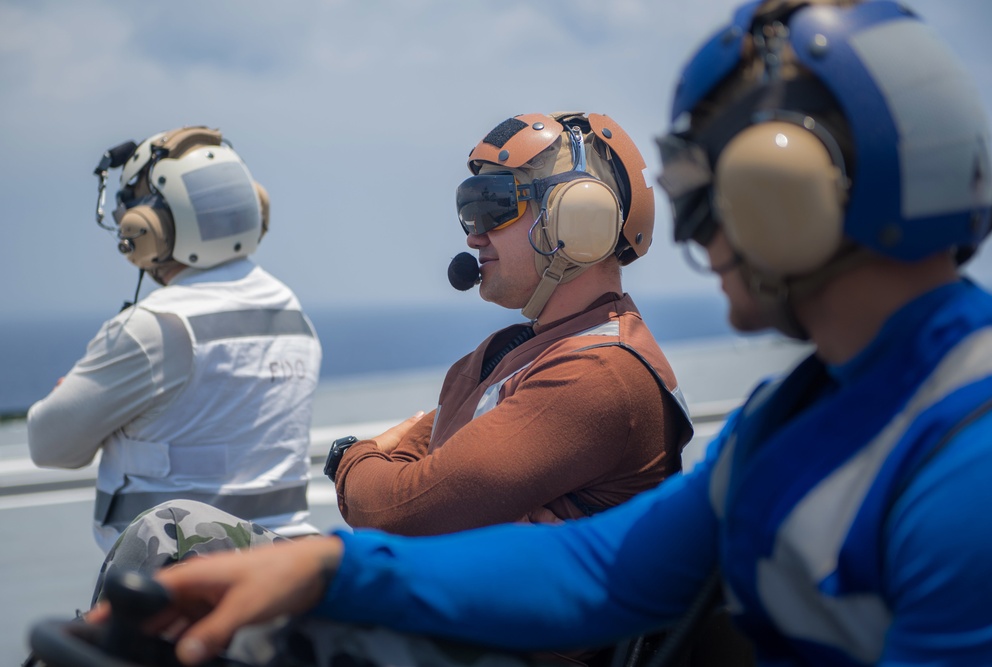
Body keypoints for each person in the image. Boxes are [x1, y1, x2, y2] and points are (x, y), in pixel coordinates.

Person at [84, 1, 992, 664]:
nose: (695, 235)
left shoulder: (972, 468)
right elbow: (601, 565)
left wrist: (360, 511)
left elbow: (441, 512)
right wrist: (330, 570)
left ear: (785, 194)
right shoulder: (787, 420)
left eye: (713, 195)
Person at [88, 113, 705, 663]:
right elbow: (424, 500)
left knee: (171, 535)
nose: (472, 235)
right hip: (453, 618)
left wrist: (353, 456)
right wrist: (432, 490)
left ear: (579, 219)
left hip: (500, 644)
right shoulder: (502, 355)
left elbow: (398, 515)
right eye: (470, 213)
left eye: (494, 209)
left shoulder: (598, 373)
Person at [26, 126, 323, 552]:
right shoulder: (293, 314)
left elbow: (48, 445)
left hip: (174, 587)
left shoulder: (153, 327)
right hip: (285, 569)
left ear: (151, 228)